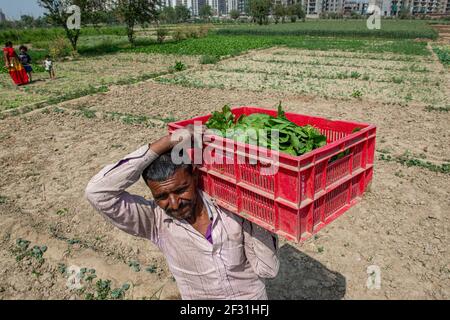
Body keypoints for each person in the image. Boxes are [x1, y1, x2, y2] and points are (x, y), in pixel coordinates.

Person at [85, 128, 280, 300]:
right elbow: (98, 192)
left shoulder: (229, 209)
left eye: (180, 190)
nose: (174, 203)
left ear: (194, 176)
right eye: (161, 196)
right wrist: (168, 141)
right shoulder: (155, 221)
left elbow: (267, 269)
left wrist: (258, 211)